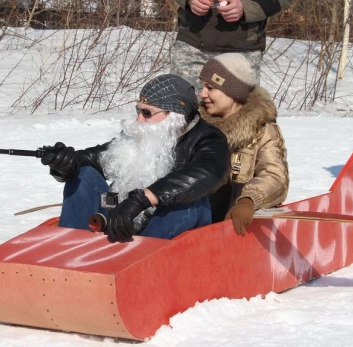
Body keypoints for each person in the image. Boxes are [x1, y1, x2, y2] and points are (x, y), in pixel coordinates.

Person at [41, 74, 230, 243]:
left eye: (147, 113)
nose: (138, 120)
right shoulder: (143, 131)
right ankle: (70, 252)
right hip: (124, 220)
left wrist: (143, 199)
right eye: (137, 110)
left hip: (172, 229)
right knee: (84, 174)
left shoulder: (209, 138)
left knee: (190, 199)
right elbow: (99, 157)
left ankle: (140, 262)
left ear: (175, 115)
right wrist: (65, 162)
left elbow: (209, 172)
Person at [198, 53, 289, 235]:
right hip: (197, 221)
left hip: (234, 222)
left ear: (232, 92)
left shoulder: (263, 131)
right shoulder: (197, 125)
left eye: (210, 88)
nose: (202, 94)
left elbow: (275, 176)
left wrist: (249, 199)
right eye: (202, 87)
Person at [170, 0, 293, 91]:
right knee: (183, 115)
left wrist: (247, 7)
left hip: (244, 49)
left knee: (241, 119)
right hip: (192, 44)